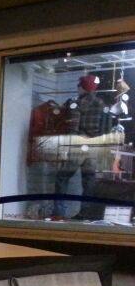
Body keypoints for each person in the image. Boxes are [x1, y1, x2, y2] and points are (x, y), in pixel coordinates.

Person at [54, 75, 109, 219]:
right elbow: (104, 127)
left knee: (62, 177)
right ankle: (85, 214)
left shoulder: (77, 104)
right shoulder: (101, 103)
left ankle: (59, 213)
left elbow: (73, 127)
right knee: (88, 180)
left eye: (79, 86)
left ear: (83, 87)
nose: (77, 88)